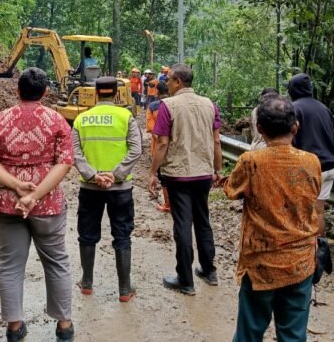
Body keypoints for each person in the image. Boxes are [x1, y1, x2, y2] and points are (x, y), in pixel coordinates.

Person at [0, 67, 75, 342]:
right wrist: (35, 195)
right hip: (47, 205)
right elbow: (65, 163)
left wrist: (16, 186)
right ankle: (65, 327)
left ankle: (14, 327)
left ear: (17, 90)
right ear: (45, 92)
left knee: (10, 265)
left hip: (7, 203)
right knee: (57, 262)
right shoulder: (57, 121)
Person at [223, 96, 321, 342]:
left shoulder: (251, 161)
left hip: (261, 264)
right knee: (293, 335)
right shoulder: (312, 162)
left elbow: (231, 191)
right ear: (295, 127)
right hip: (301, 262)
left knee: (249, 332)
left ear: (260, 129)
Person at [149, 63, 222, 295]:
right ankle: (209, 270)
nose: (167, 83)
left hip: (178, 175)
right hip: (203, 173)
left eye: (169, 79)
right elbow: (217, 141)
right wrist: (217, 169)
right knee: (202, 219)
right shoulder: (209, 105)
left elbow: (162, 143)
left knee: (182, 223)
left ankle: (185, 278)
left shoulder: (168, 106)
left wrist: (152, 172)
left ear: (178, 81)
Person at [72, 76, 143, 302]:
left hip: (90, 188)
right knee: (122, 235)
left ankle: (87, 283)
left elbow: (74, 153)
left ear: (95, 93)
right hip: (120, 188)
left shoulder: (82, 119)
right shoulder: (126, 117)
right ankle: (124, 290)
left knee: (87, 234)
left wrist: (93, 175)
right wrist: (116, 174)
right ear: (116, 93)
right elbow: (135, 150)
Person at [287, 73, 334, 237]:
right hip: (330, 165)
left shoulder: (294, 109)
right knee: (319, 212)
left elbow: (290, 140)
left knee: (301, 212)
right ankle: (319, 252)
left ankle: (303, 252)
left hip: (309, 167)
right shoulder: (324, 108)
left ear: (292, 90)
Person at [146, 81, 171, 212]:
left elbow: (152, 129)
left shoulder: (153, 106)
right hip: (176, 147)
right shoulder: (175, 104)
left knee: (163, 177)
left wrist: (162, 138)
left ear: (157, 92)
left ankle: (168, 204)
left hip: (159, 147)